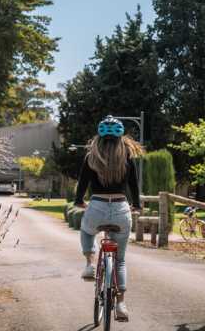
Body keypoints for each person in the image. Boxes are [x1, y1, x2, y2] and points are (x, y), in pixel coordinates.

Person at [73, 116, 144, 322]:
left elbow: (82, 183)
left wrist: (79, 201)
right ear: (121, 138)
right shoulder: (127, 156)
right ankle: (121, 305)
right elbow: (134, 186)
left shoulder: (91, 157)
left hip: (96, 207)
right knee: (120, 260)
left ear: (100, 137)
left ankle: (89, 264)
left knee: (87, 231)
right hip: (121, 208)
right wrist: (137, 205)